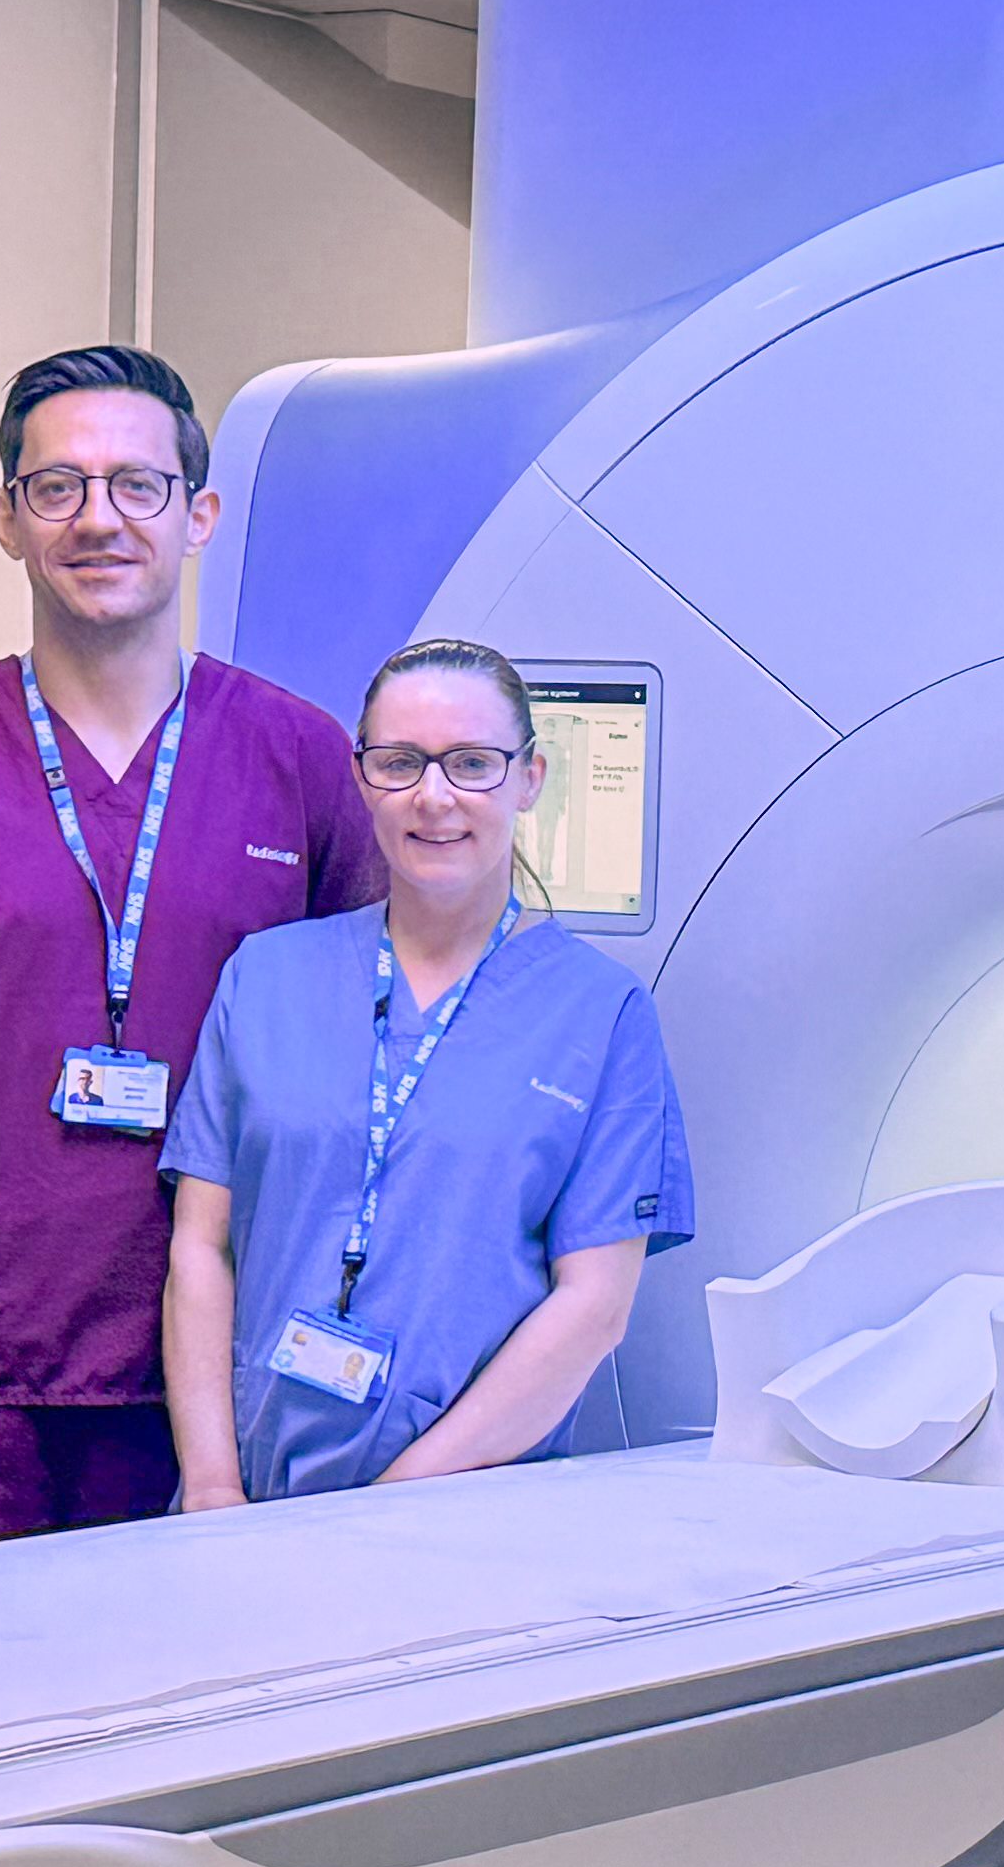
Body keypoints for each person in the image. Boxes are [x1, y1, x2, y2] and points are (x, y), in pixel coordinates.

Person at [0, 345, 378, 1564]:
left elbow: (359, 1022)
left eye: (137, 486)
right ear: (7, 520)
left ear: (199, 515)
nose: (99, 518)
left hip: (206, 1358)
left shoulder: (300, 761)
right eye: (57, 488)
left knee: (185, 1716)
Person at [163, 638, 691, 1502]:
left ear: (530, 779)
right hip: (246, 1504)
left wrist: (402, 1500)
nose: (435, 796)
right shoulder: (265, 977)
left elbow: (594, 1305)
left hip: (466, 1511)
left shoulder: (601, 1013)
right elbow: (200, 1246)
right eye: (401, 762)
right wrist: (214, 1488)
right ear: (363, 777)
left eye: (473, 764)